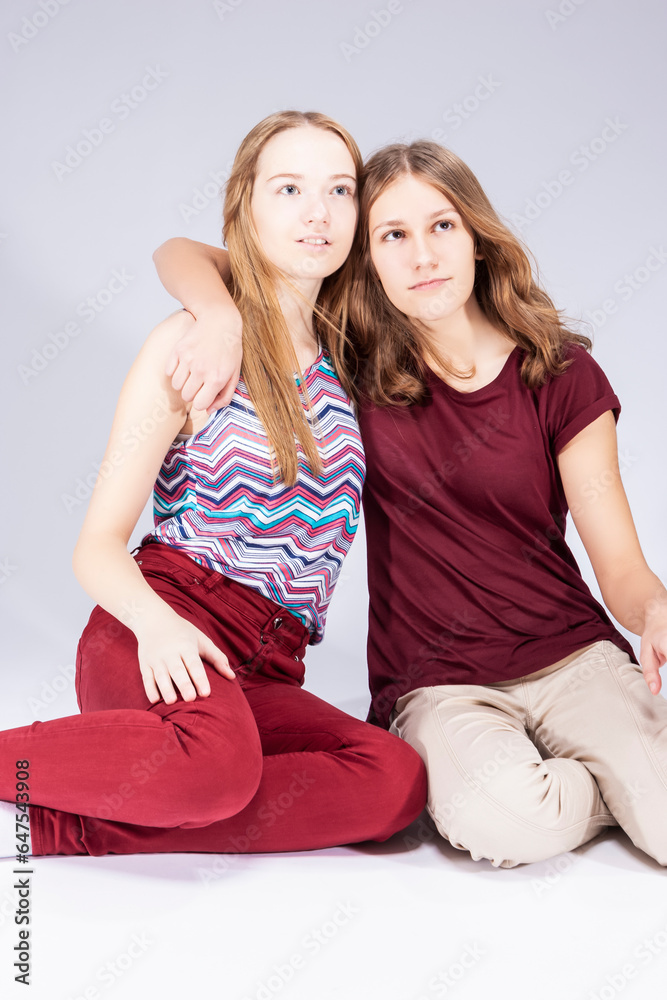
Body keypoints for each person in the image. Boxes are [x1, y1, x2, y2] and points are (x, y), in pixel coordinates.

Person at [153, 139, 667, 869]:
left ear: (478, 241)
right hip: (437, 681)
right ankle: (603, 786)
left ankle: (620, 778)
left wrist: (653, 612)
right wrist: (219, 316)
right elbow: (179, 252)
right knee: (513, 826)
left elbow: (620, 568)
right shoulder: (348, 358)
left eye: (441, 227)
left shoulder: (561, 374)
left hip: (573, 659)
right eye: (392, 235)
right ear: (366, 258)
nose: (422, 256)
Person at [0, 112, 427, 860]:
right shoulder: (191, 344)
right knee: (214, 769)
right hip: (158, 627)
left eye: (337, 190)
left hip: (268, 661)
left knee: (394, 781)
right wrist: (158, 626)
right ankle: (57, 805)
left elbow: (184, 253)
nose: (316, 213)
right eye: (288, 188)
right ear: (246, 206)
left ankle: (88, 817)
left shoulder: (350, 356)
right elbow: (97, 547)